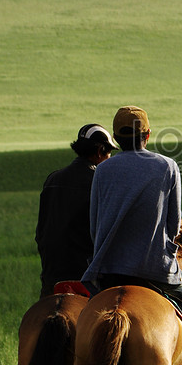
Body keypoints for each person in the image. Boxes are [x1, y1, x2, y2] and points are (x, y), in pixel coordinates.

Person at [82, 105, 182, 365]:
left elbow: (94, 224)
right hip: (155, 269)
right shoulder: (166, 166)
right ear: (147, 134)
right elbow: (173, 225)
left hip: (107, 271)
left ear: (117, 140)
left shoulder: (103, 170)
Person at [35, 123, 113, 297]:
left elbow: (40, 232)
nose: (109, 159)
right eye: (109, 153)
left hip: (51, 277)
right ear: (100, 151)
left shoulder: (52, 179)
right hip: (87, 279)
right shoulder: (100, 182)